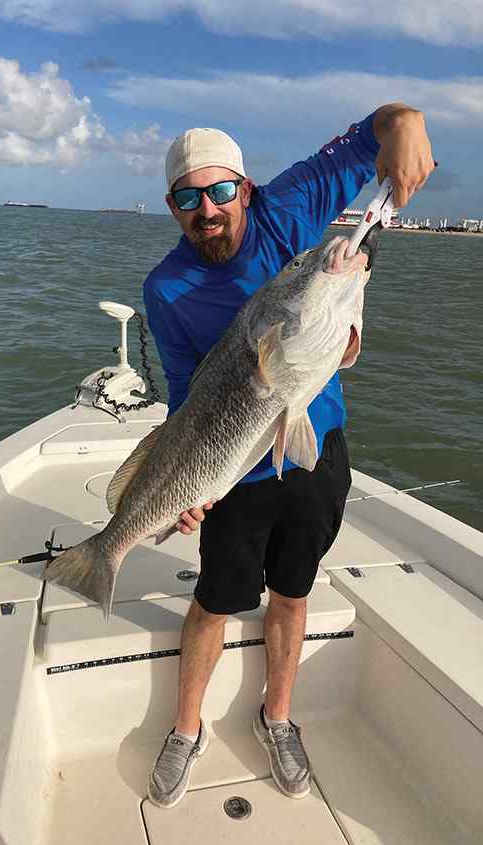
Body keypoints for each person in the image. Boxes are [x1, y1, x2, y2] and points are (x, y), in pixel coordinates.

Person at [143, 104, 434, 808]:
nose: (206, 208)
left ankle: (277, 717)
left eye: (219, 191)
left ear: (246, 188)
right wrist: (188, 487)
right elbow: (187, 398)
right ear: (172, 207)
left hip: (314, 447)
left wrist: (406, 123)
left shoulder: (289, 208)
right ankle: (188, 727)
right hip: (230, 462)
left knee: (293, 592)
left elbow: (379, 130)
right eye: (188, 196)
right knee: (214, 600)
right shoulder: (165, 288)